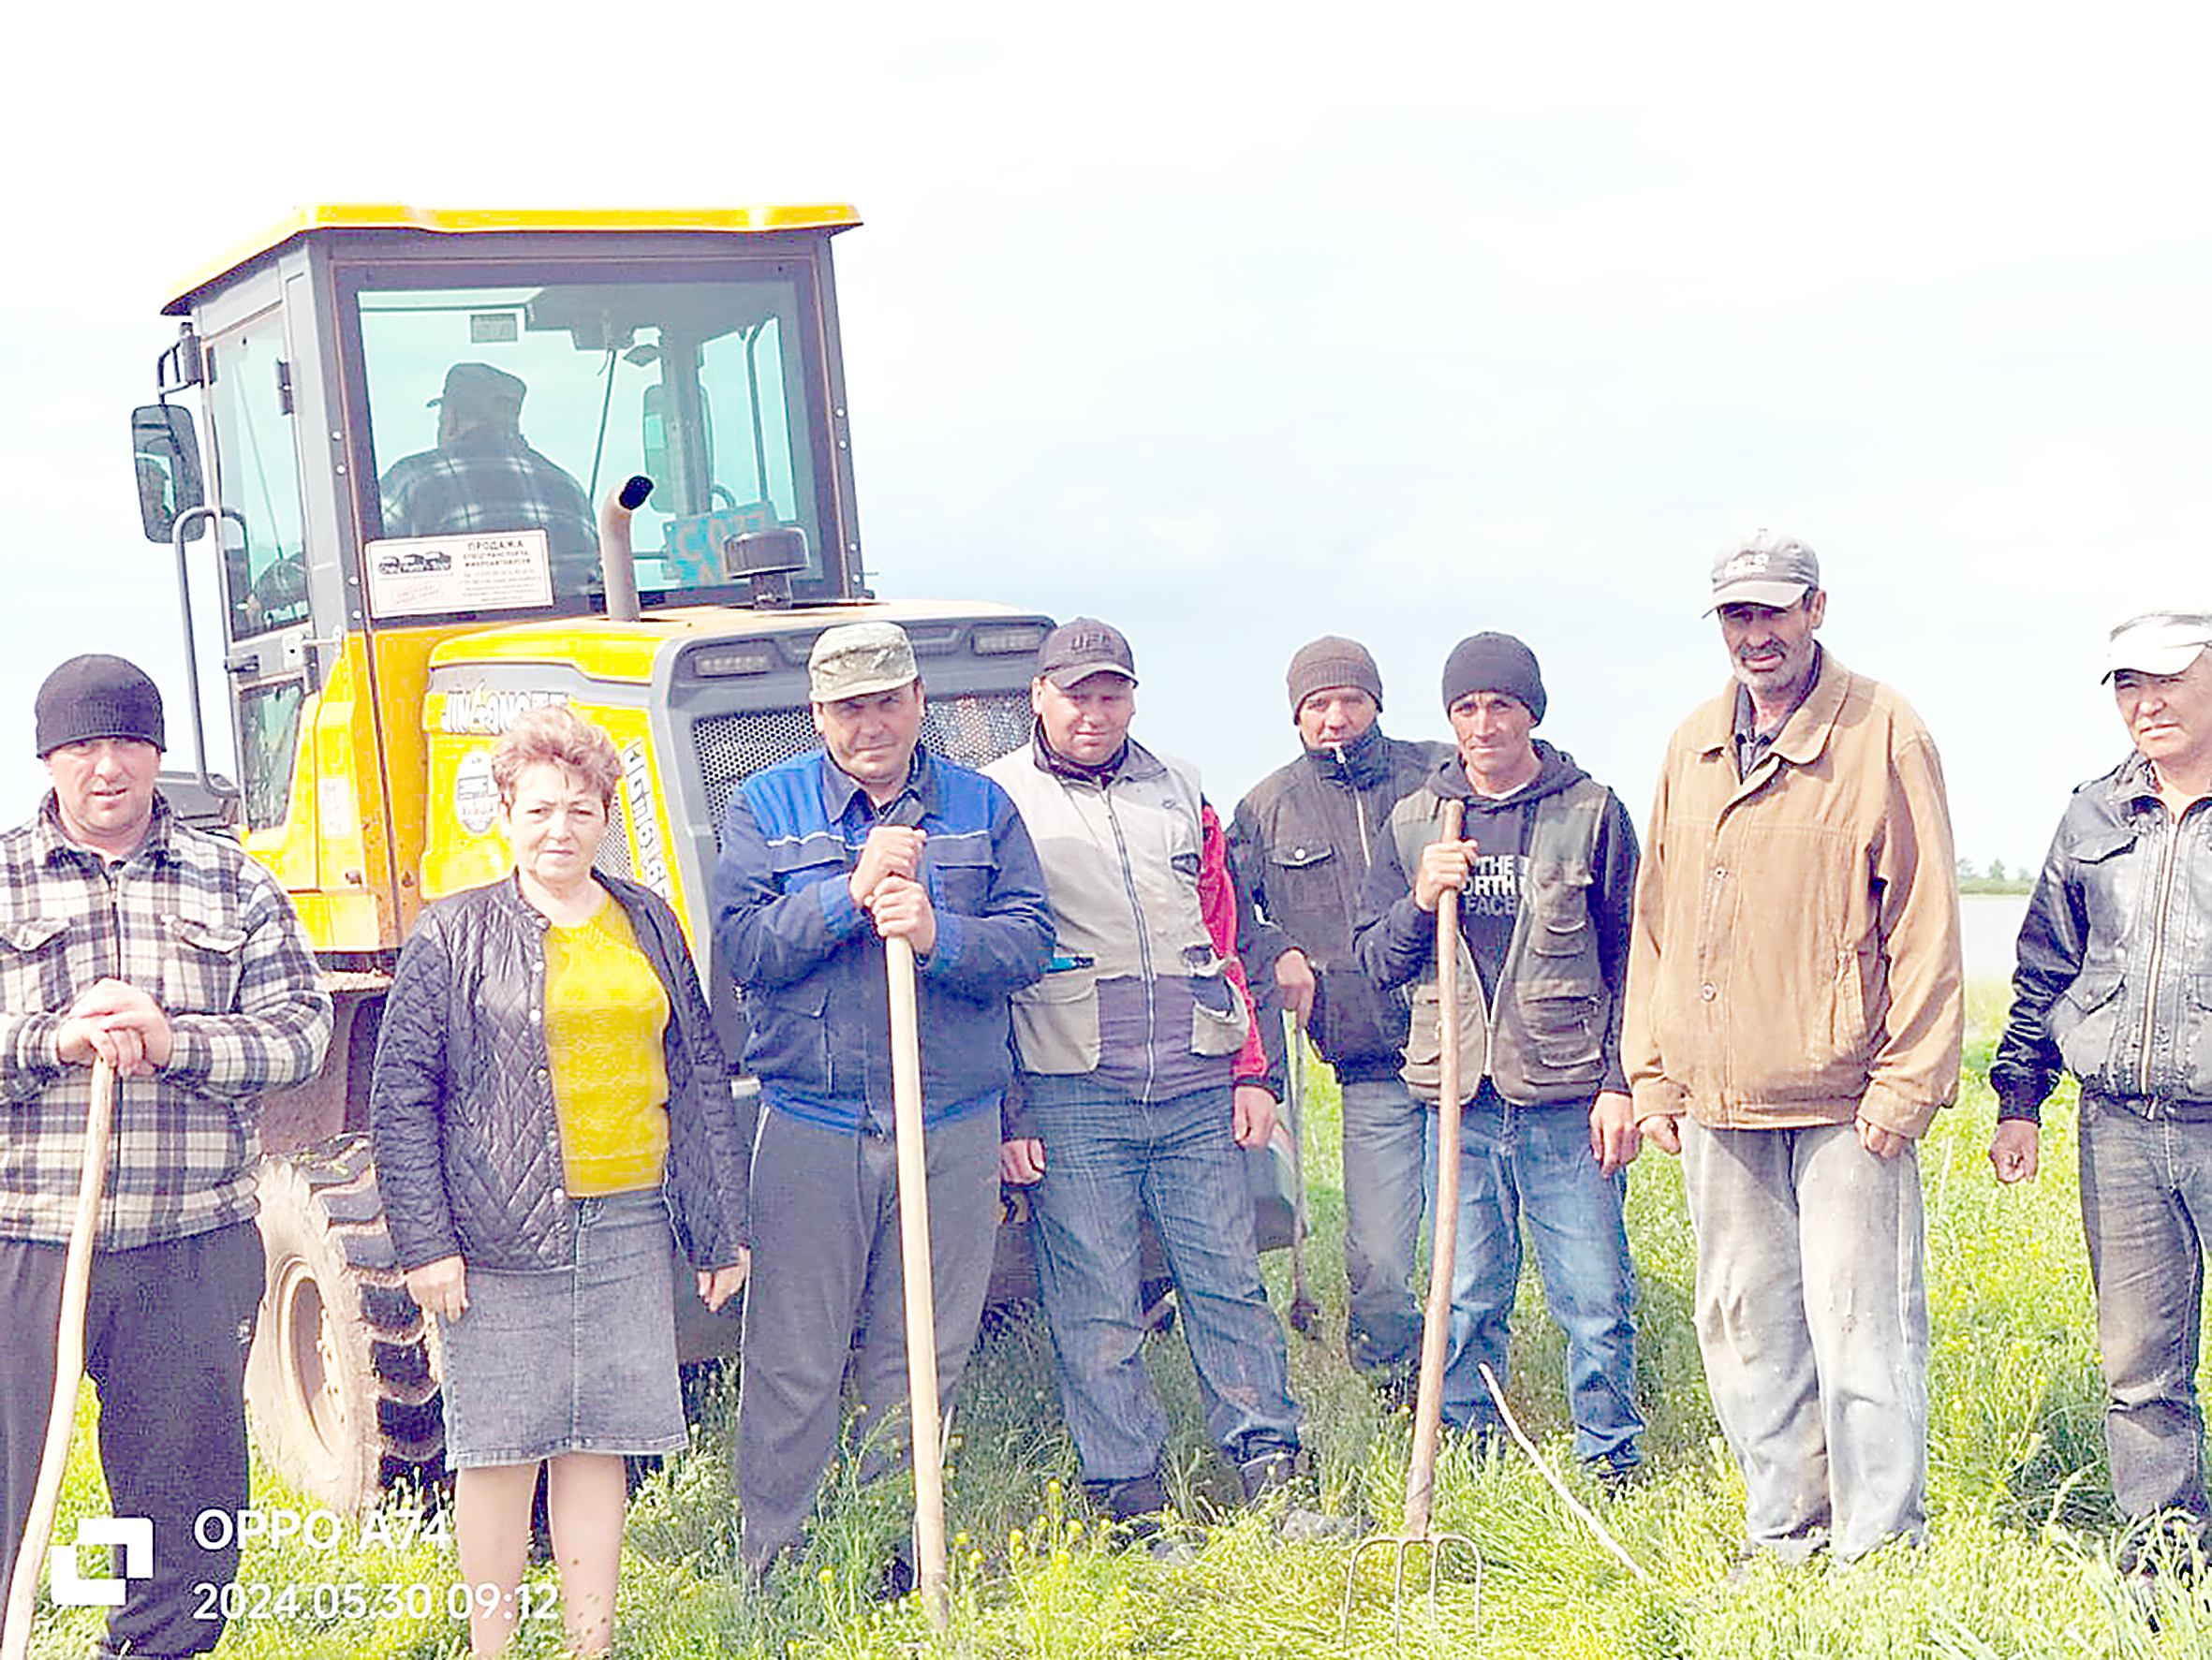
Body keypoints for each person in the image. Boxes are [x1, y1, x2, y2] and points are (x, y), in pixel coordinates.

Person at [371, 706, 749, 1657]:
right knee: (499, 1452)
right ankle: (492, 1648)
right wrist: (427, 1245)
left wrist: (718, 1229)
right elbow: (401, 1099)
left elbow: (698, 1073)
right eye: (538, 809)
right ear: (503, 813)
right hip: (497, 1239)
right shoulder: (451, 934)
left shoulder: (647, 920)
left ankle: (592, 1643)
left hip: (627, 1225)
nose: (558, 830)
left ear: (605, 819)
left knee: (599, 1438)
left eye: (579, 811)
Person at [1623, 530, 1962, 1565]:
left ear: (1817, 608)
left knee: (1861, 1330)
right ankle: (1784, 1531)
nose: (1754, 635)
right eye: (1736, 616)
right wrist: (1650, 1073)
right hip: (1719, 1101)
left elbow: (1926, 922)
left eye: (1772, 611)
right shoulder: (1691, 745)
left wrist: (1904, 1089)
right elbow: (1656, 920)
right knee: (1742, 1326)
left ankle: (1878, 1547)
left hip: (1845, 1100)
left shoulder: (1883, 731)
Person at [0, 654, 331, 1660]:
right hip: (27, 1242)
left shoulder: (235, 880)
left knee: (185, 1497)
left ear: (158, 754)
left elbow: (302, 1035)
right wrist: (52, 1040)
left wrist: (175, 1037)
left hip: (191, 1244)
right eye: (84, 746)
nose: (108, 767)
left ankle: (157, 1652)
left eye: (128, 743)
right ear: (50, 757)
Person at [710, 621, 1053, 1582]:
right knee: (793, 1362)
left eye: (887, 701)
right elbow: (743, 950)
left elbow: (1031, 943)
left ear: (917, 702)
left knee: (921, 1359)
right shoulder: (766, 808)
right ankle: (774, 1573)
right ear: (819, 715)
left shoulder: (980, 809)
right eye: (848, 707)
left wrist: (940, 933)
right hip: (814, 1120)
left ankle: (898, 1560)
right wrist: (843, 899)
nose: (871, 724)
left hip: (946, 1120)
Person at [986, 617, 1307, 1527]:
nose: (1094, 712)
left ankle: (1274, 1480)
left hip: (1198, 1088)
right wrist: (1013, 1115)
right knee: (1096, 1307)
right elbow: (991, 979)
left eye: (1111, 693)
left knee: (1230, 1287)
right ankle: (1131, 1505)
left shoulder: (1183, 794)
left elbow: (1226, 938)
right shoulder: (996, 802)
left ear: (1132, 698)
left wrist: (1254, 1074)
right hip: (1072, 1090)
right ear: (1039, 697)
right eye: (1076, 694)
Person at [1351, 632, 1644, 1481]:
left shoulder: (1589, 812)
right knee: (1467, 1293)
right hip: (1459, 1101)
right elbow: (1375, 960)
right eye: (1466, 708)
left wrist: (1623, 1083)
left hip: (1564, 1098)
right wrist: (1419, 896)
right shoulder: (1415, 823)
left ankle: (1608, 1460)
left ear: (1532, 715)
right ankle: (1471, 1456)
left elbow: (1634, 955)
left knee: (1592, 1296)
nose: (1483, 725)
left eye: (1501, 706)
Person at [1989, 608, 2212, 1569]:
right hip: (2118, 1128)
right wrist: (2015, 1097)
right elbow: (2045, 964)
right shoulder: (2091, 812)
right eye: (2127, 684)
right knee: (2139, 1371)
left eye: (2166, 679)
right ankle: (2164, 1561)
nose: (2145, 702)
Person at [1231, 637, 1451, 1397]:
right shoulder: (1266, 807)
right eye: (1317, 704)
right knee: (1381, 1254)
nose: (1334, 717)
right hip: (1367, 1059)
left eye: (1349, 700)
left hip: (1470, 1054)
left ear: (1377, 703)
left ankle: (1468, 1385)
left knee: (1479, 1246)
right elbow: (1225, 909)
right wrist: (1280, 946)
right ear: (1296, 715)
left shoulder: (1440, 776)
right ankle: (1393, 1381)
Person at [377, 360, 600, 595]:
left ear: (450, 419)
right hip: (571, 630)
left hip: (460, 632)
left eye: (440, 419)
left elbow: (366, 565)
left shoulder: (413, 478)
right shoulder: (570, 488)